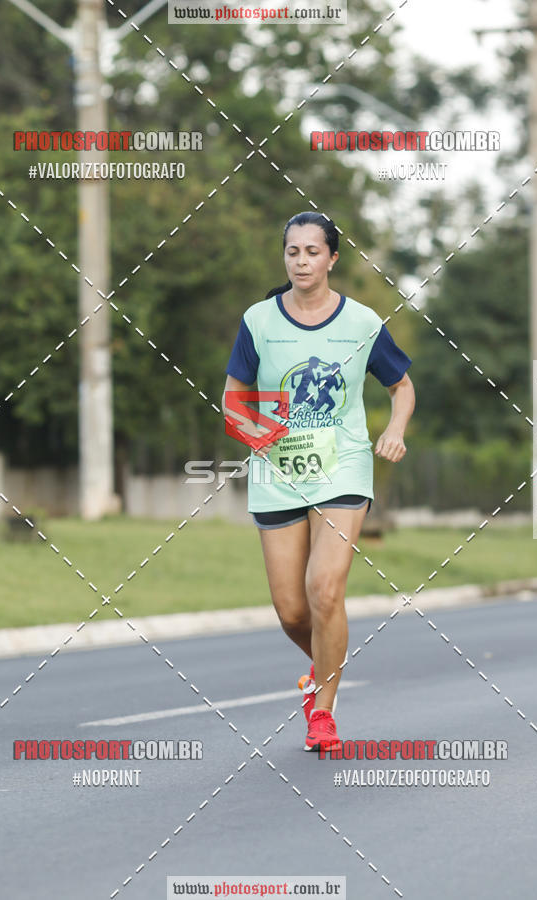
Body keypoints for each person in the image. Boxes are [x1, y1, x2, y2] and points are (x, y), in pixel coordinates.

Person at [222, 211, 415, 752]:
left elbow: (401, 386)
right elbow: (233, 397)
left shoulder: (361, 323)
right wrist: (254, 431)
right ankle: (322, 669)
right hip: (278, 472)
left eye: (312, 251)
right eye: (293, 252)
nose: (302, 260)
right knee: (292, 610)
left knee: (325, 590)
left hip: (343, 466)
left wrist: (395, 429)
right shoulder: (258, 321)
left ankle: (323, 711)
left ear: (332, 258)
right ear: (284, 257)